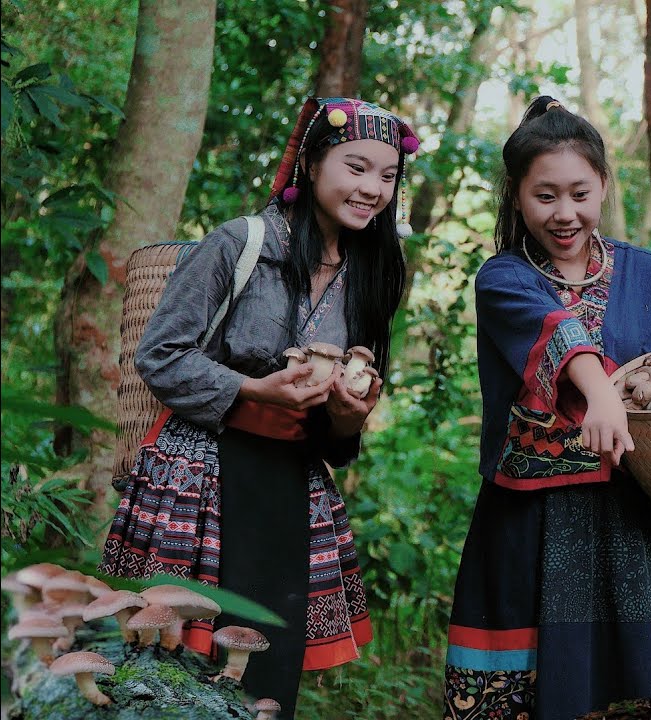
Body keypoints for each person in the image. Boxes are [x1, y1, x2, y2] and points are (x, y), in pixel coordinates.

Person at [442, 96, 651, 720]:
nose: (564, 213)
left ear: (603, 184)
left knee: (641, 694)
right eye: (545, 196)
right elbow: (555, 330)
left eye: (579, 193)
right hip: (529, 517)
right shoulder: (503, 277)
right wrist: (601, 393)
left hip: (629, 513)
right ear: (516, 196)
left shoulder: (646, 273)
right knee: (524, 694)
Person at [100, 97, 418, 718]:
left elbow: (337, 439)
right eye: (356, 168)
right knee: (173, 665)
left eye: (387, 176)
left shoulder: (374, 271)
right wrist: (252, 389)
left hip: (290, 490)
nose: (372, 189)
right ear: (313, 163)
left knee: (265, 669)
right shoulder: (239, 244)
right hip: (201, 481)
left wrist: (349, 415)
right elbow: (159, 355)